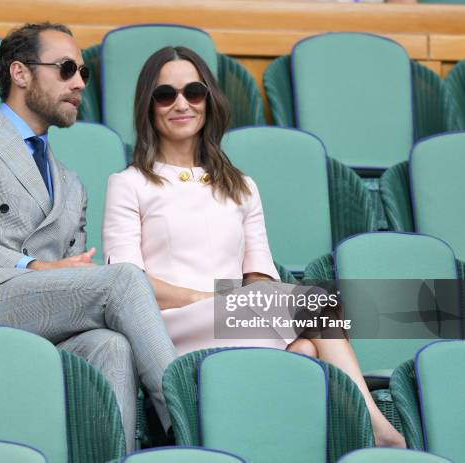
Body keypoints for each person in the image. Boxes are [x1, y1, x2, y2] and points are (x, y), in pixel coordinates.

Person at [102, 45, 406, 448]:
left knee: (306, 347)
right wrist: (209, 296)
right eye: (165, 94)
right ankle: (374, 425)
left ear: (208, 99)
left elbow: (259, 276)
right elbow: (128, 283)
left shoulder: (242, 186)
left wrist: (233, 298)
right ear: (149, 105)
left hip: (235, 312)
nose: (181, 104)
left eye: (193, 92)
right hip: (172, 322)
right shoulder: (129, 184)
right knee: (321, 308)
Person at [0, 23, 176, 451]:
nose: (79, 82)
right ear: (20, 73)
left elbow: (71, 277)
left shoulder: (71, 183)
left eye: (83, 72)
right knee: (124, 278)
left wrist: (53, 272)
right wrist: (32, 266)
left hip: (43, 316)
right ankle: (187, 422)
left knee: (112, 345)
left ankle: (114, 456)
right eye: (65, 69)